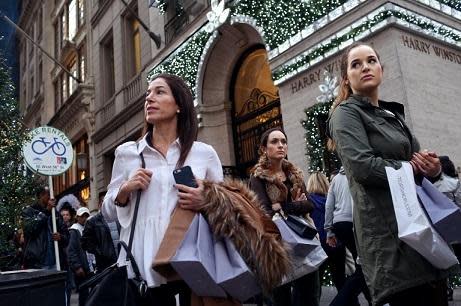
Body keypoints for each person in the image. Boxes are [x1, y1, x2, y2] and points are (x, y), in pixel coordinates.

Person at [327, 41, 452, 306]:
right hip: (387, 234)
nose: (365, 67)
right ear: (346, 79)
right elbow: (362, 167)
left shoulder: (392, 113)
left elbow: (416, 159)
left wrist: (433, 167)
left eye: (371, 61)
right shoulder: (345, 114)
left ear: (381, 69)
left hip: (420, 226)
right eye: (356, 64)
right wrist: (410, 167)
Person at [101, 73, 223, 306]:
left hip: (189, 264)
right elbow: (107, 212)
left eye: (159, 92)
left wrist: (205, 200)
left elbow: (226, 207)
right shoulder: (128, 153)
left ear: (179, 105)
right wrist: (125, 190)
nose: (149, 99)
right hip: (140, 268)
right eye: (148, 94)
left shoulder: (203, 153)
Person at [249, 127, 318, 306]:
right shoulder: (258, 178)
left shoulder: (294, 174)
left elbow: (310, 204)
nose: (280, 145)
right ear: (264, 149)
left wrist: (284, 206)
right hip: (276, 245)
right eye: (274, 142)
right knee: (280, 298)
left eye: (283, 141)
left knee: (309, 296)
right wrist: (296, 205)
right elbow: (266, 211)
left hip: (301, 239)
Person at [325, 167, 371, 306]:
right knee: (364, 266)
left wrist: (329, 230)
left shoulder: (336, 179)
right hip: (354, 222)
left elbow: (329, 204)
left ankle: (370, 300)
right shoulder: (357, 172)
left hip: (339, 224)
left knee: (362, 266)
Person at [21, 185, 69, 270]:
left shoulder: (56, 214)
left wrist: (60, 237)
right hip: (38, 263)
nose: (52, 198)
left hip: (56, 261)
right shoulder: (29, 211)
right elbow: (30, 230)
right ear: (41, 196)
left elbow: (67, 236)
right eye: (49, 195)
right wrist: (46, 211)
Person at [81, 193, 118, 273]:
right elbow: (84, 243)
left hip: (121, 260)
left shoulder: (119, 217)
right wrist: (99, 252)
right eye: (104, 201)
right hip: (105, 265)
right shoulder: (92, 222)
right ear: (100, 204)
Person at [68, 207, 93, 306]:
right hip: (82, 267)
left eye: (86, 216)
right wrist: (77, 266)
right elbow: (71, 250)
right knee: (84, 294)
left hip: (90, 266)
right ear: (77, 217)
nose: (85, 218)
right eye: (82, 216)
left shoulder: (87, 228)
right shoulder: (74, 230)